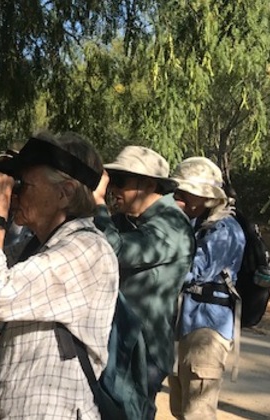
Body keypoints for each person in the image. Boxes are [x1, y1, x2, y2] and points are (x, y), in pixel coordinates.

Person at [0, 131, 119, 419]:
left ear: (65, 193)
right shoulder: (39, 245)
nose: (15, 195)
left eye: (23, 185)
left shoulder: (86, 250)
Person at [92, 145, 195, 415]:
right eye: (111, 181)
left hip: (142, 349)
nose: (113, 189)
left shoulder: (172, 227)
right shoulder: (132, 221)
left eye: (121, 181)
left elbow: (117, 250)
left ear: (148, 184)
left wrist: (98, 203)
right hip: (124, 340)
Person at [169, 157, 246, 419]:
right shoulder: (197, 225)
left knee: (197, 412)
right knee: (181, 408)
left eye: (183, 193)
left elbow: (192, 271)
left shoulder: (223, 230)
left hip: (207, 330)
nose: (177, 197)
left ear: (205, 197)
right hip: (188, 323)